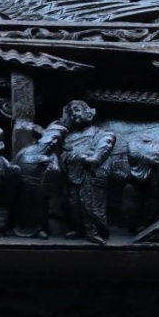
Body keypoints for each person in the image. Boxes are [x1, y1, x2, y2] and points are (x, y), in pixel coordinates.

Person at [58, 100, 116, 244]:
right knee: (74, 202)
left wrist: (89, 158)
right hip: (73, 173)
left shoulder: (100, 133)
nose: (74, 114)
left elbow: (102, 150)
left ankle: (93, 231)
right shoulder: (69, 137)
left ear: (88, 113)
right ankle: (79, 228)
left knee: (89, 203)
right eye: (71, 113)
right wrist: (75, 157)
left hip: (91, 173)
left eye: (77, 110)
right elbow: (64, 155)